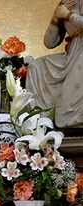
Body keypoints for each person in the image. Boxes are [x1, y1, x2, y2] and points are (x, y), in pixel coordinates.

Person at [26, 0, 83, 129]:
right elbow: (49, 43)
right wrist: (56, 18)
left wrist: (68, 15)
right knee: (36, 67)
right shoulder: (65, 3)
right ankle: (41, 121)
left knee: (65, 114)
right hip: (71, 55)